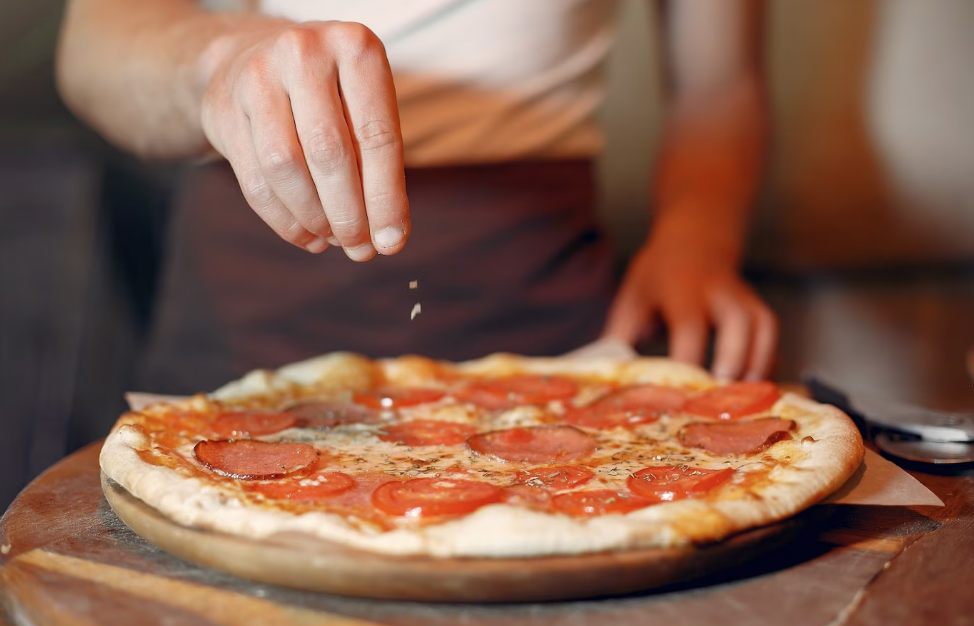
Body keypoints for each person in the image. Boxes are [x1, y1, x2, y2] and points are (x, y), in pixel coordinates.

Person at [56, 0, 776, 394]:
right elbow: (93, 43)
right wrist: (220, 61)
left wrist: (696, 238)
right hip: (242, 314)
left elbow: (718, 88)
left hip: (547, 330)